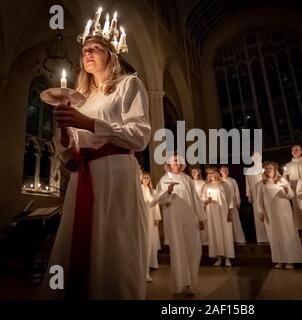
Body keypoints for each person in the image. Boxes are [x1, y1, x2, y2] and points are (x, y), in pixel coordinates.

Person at [44, 12, 151, 299]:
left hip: (116, 173)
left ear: (110, 55)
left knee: (113, 243)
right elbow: (69, 153)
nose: (87, 53)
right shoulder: (82, 97)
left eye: (95, 48)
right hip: (84, 177)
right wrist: (66, 132)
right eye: (84, 50)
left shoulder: (129, 85)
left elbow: (139, 135)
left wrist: (89, 123)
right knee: (79, 244)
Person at [150, 154, 206, 295]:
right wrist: (168, 192)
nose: (177, 163)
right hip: (174, 220)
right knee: (179, 251)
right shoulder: (164, 180)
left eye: (178, 161)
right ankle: (184, 284)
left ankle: (191, 281)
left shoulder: (187, 178)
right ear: (169, 164)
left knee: (194, 249)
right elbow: (157, 200)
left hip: (189, 218)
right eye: (174, 161)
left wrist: (200, 218)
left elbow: (195, 199)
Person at [257, 161, 302, 269]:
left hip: (284, 211)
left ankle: (290, 260)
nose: (269, 169)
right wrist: (260, 212)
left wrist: (286, 188)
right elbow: (259, 200)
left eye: (270, 168)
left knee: (287, 234)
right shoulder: (261, 183)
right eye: (267, 168)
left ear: (275, 169)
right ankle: (279, 259)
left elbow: (291, 195)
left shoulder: (282, 180)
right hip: (270, 212)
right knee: (274, 236)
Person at [202, 167, 235, 267]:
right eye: (208, 173)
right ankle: (218, 257)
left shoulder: (223, 185)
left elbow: (230, 198)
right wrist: (206, 201)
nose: (210, 175)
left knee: (225, 232)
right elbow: (202, 198)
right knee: (215, 233)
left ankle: (227, 258)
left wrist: (229, 212)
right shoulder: (206, 186)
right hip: (211, 212)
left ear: (216, 173)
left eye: (212, 173)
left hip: (223, 211)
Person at [140, 172, 162, 282]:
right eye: (144, 177)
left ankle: (150, 265)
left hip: (150, 217)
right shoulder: (139, 189)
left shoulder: (150, 190)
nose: (146, 179)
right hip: (142, 217)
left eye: (148, 178)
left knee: (150, 242)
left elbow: (154, 204)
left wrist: (156, 217)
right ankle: (144, 270)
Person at [220, 165, 246, 245]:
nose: (225, 171)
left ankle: (238, 239)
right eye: (223, 170)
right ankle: (229, 239)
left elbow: (236, 192)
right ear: (220, 172)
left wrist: (238, 202)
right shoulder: (219, 181)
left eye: (226, 170)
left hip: (232, 203)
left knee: (235, 220)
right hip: (223, 204)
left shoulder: (232, 180)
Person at [245, 152, 268, 243]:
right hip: (255, 194)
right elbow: (248, 184)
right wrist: (249, 195)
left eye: (258, 156)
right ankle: (262, 238)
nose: (256, 158)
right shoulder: (249, 170)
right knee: (259, 214)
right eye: (254, 156)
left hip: (267, 193)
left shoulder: (266, 167)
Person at [284, 145, 302, 235]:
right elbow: (285, 178)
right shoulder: (288, 165)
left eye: (297, 149)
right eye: (293, 150)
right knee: (297, 209)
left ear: (301, 151)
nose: (295, 151)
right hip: (294, 187)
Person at [189, 166, 208, 245]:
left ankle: (204, 239)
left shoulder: (203, 182)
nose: (194, 173)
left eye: (195, 172)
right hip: (192, 203)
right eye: (192, 172)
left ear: (198, 172)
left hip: (200, 202)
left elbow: (205, 193)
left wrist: (203, 202)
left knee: (202, 219)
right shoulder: (189, 182)